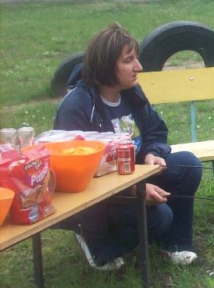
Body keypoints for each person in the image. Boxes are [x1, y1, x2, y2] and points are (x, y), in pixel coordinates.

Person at [54, 23, 202, 270]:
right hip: (97, 198)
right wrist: (136, 190)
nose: (139, 67)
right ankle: (97, 244)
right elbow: (78, 177)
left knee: (188, 164)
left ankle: (175, 244)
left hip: (132, 178)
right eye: (128, 60)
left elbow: (155, 130)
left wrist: (151, 153)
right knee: (159, 217)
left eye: (137, 58)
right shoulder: (77, 107)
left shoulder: (131, 92)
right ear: (106, 65)